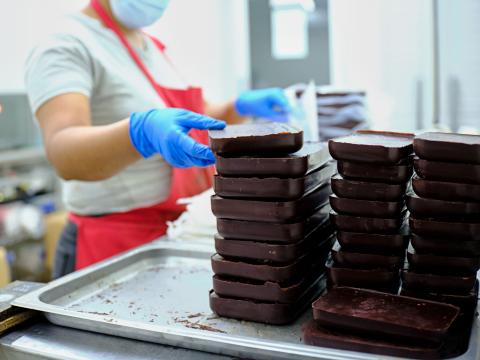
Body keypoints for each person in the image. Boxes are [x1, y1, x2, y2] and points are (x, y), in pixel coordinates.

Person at [25, 0, 291, 278]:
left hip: (170, 234)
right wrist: (139, 132)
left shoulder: (150, 47)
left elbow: (194, 116)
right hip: (111, 244)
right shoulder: (66, 43)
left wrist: (237, 107)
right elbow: (63, 151)